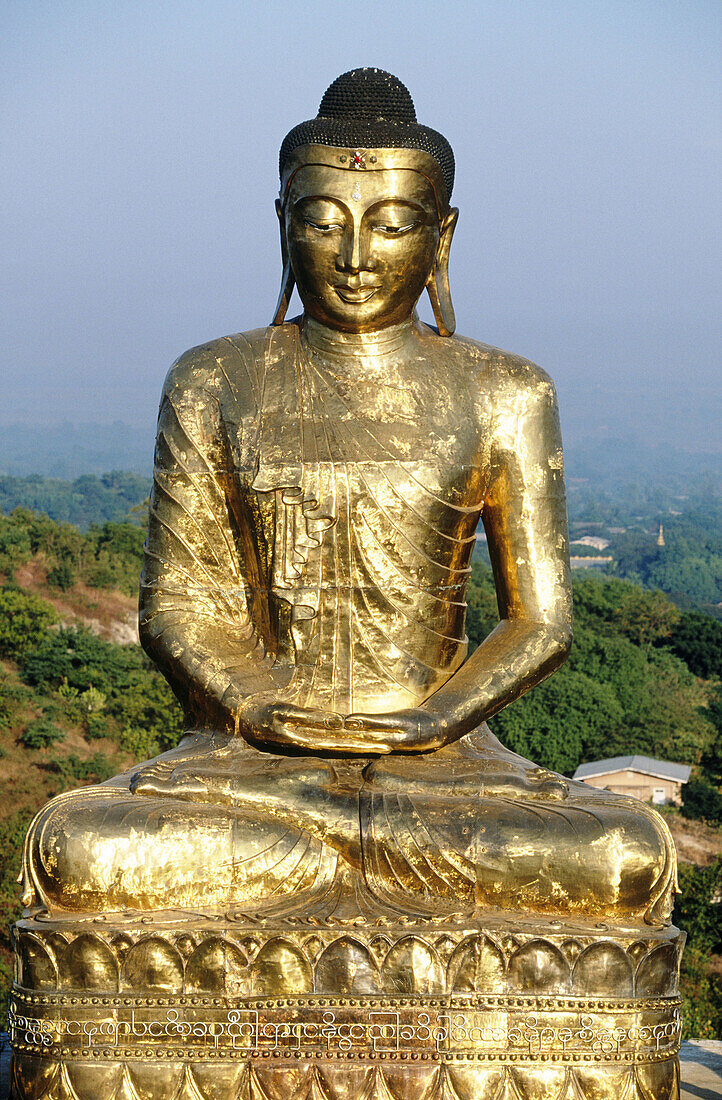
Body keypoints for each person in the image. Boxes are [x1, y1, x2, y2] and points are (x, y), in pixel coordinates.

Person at [22, 69, 674, 926]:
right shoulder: (213, 379)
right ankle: (328, 843)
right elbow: (174, 607)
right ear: (283, 226)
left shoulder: (507, 391)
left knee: (620, 854)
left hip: (443, 765)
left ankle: (333, 847)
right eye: (322, 222)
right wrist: (255, 706)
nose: (356, 256)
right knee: (83, 845)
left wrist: (432, 721)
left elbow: (540, 621)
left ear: (442, 237)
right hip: (255, 761)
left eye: (392, 225)